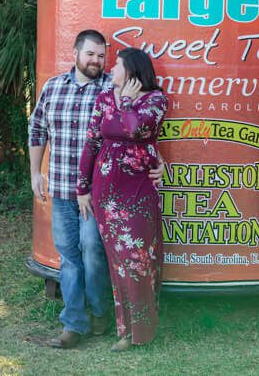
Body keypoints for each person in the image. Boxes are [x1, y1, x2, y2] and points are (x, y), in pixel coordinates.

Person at [76, 47, 169, 352]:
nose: (111, 70)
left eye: (116, 65)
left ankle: (142, 328)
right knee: (118, 263)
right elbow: (91, 142)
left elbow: (136, 128)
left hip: (139, 190)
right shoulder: (103, 98)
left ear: (131, 71)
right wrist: (82, 188)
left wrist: (127, 101)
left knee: (139, 260)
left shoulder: (155, 99)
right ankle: (124, 331)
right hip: (107, 194)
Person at [29, 30, 113, 348]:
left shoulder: (111, 89)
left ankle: (101, 312)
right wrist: (36, 171)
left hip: (97, 193)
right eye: (90, 54)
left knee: (92, 251)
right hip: (63, 190)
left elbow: (135, 128)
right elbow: (37, 128)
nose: (96, 61)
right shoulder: (53, 88)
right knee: (69, 257)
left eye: (102, 56)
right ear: (76, 52)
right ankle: (73, 325)